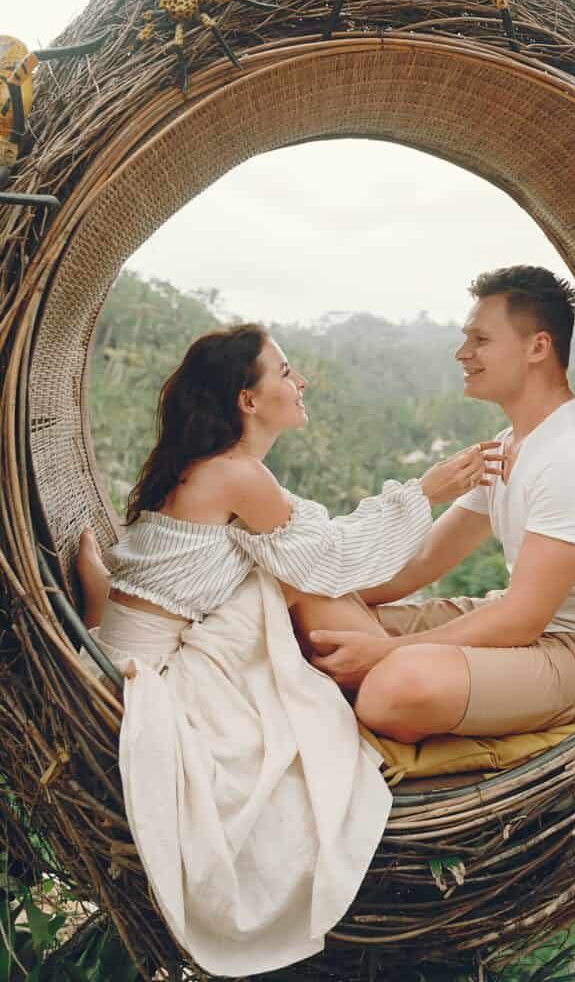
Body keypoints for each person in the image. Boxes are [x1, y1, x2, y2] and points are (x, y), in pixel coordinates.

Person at [75, 322, 502, 977]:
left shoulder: (218, 470)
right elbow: (331, 558)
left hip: (137, 640)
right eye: (285, 371)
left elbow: (319, 548)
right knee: (289, 583)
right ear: (248, 400)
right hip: (151, 673)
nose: (300, 382)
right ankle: (405, 685)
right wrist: (427, 491)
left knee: (275, 579)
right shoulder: (236, 475)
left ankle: (399, 670)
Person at [302, 266, 575, 744]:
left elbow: (522, 618)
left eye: (480, 339)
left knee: (396, 685)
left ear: (538, 347)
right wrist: (334, 592)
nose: (463, 353)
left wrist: (381, 654)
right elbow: (422, 563)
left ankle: (376, 681)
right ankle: (367, 670)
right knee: (314, 608)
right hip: (519, 633)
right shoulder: (507, 446)